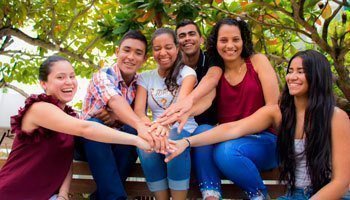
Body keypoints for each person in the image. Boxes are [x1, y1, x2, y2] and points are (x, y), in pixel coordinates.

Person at [165, 50, 350, 199]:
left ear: (317, 76)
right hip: (295, 195)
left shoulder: (335, 117)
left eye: (300, 72)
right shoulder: (278, 113)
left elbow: (341, 182)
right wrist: (186, 142)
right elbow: (232, 128)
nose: (292, 76)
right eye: (290, 71)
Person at [160, 17, 280, 199]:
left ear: (243, 40)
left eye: (235, 39)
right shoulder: (217, 70)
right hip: (229, 139)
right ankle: (211, 195)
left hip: (265, 141)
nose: (230, 45)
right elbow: (207, 91)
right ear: (215, 43)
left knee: (226, 151)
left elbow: (273, 109)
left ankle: (259, 196)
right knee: (204, 132)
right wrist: (184, 110)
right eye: (223, 40)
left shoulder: (257, 61)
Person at [0, 56, 151, 200]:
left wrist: (63, 194)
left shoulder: (68, 118)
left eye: (72, 76)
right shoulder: (39, 109)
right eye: (60, 77)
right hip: (13, 192)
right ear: (43, 83)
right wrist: (136, 140)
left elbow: (65, 159)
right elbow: (86, 128)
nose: (69, 82)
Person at [77, 30, 154, 200]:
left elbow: (136, 115)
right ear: (117, 51)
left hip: (118, 146)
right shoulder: (103, 75)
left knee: (132, 131)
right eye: (126, 50)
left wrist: (118, 117)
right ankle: (116, 197)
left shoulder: (140, 83)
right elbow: (115, 101)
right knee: (97, 123)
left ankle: (104, 197)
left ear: (144, 59)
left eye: (138, 53)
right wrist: (125, 118)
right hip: (88, 143)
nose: (131, 57)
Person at [134, 28, 197, 200]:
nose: (162, 53)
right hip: (156, 129)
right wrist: (150, 128)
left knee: (173, 141)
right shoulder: (145, 77)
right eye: (157, 48)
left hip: (182, 127)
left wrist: (164, 126)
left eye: (168, 47)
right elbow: (139, 112)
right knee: (144, 145)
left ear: (177, 48)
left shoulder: (187, 73)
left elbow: (180, 107)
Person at [174, 19, 220, 126]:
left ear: (201, 40)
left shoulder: (211, 58)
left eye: (191, 34)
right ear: (177, 44)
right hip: (178, 123)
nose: (187, 38)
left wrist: (189, 100)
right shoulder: (173, 65)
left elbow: (212, 77)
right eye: (182, 36)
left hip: (208, 124)